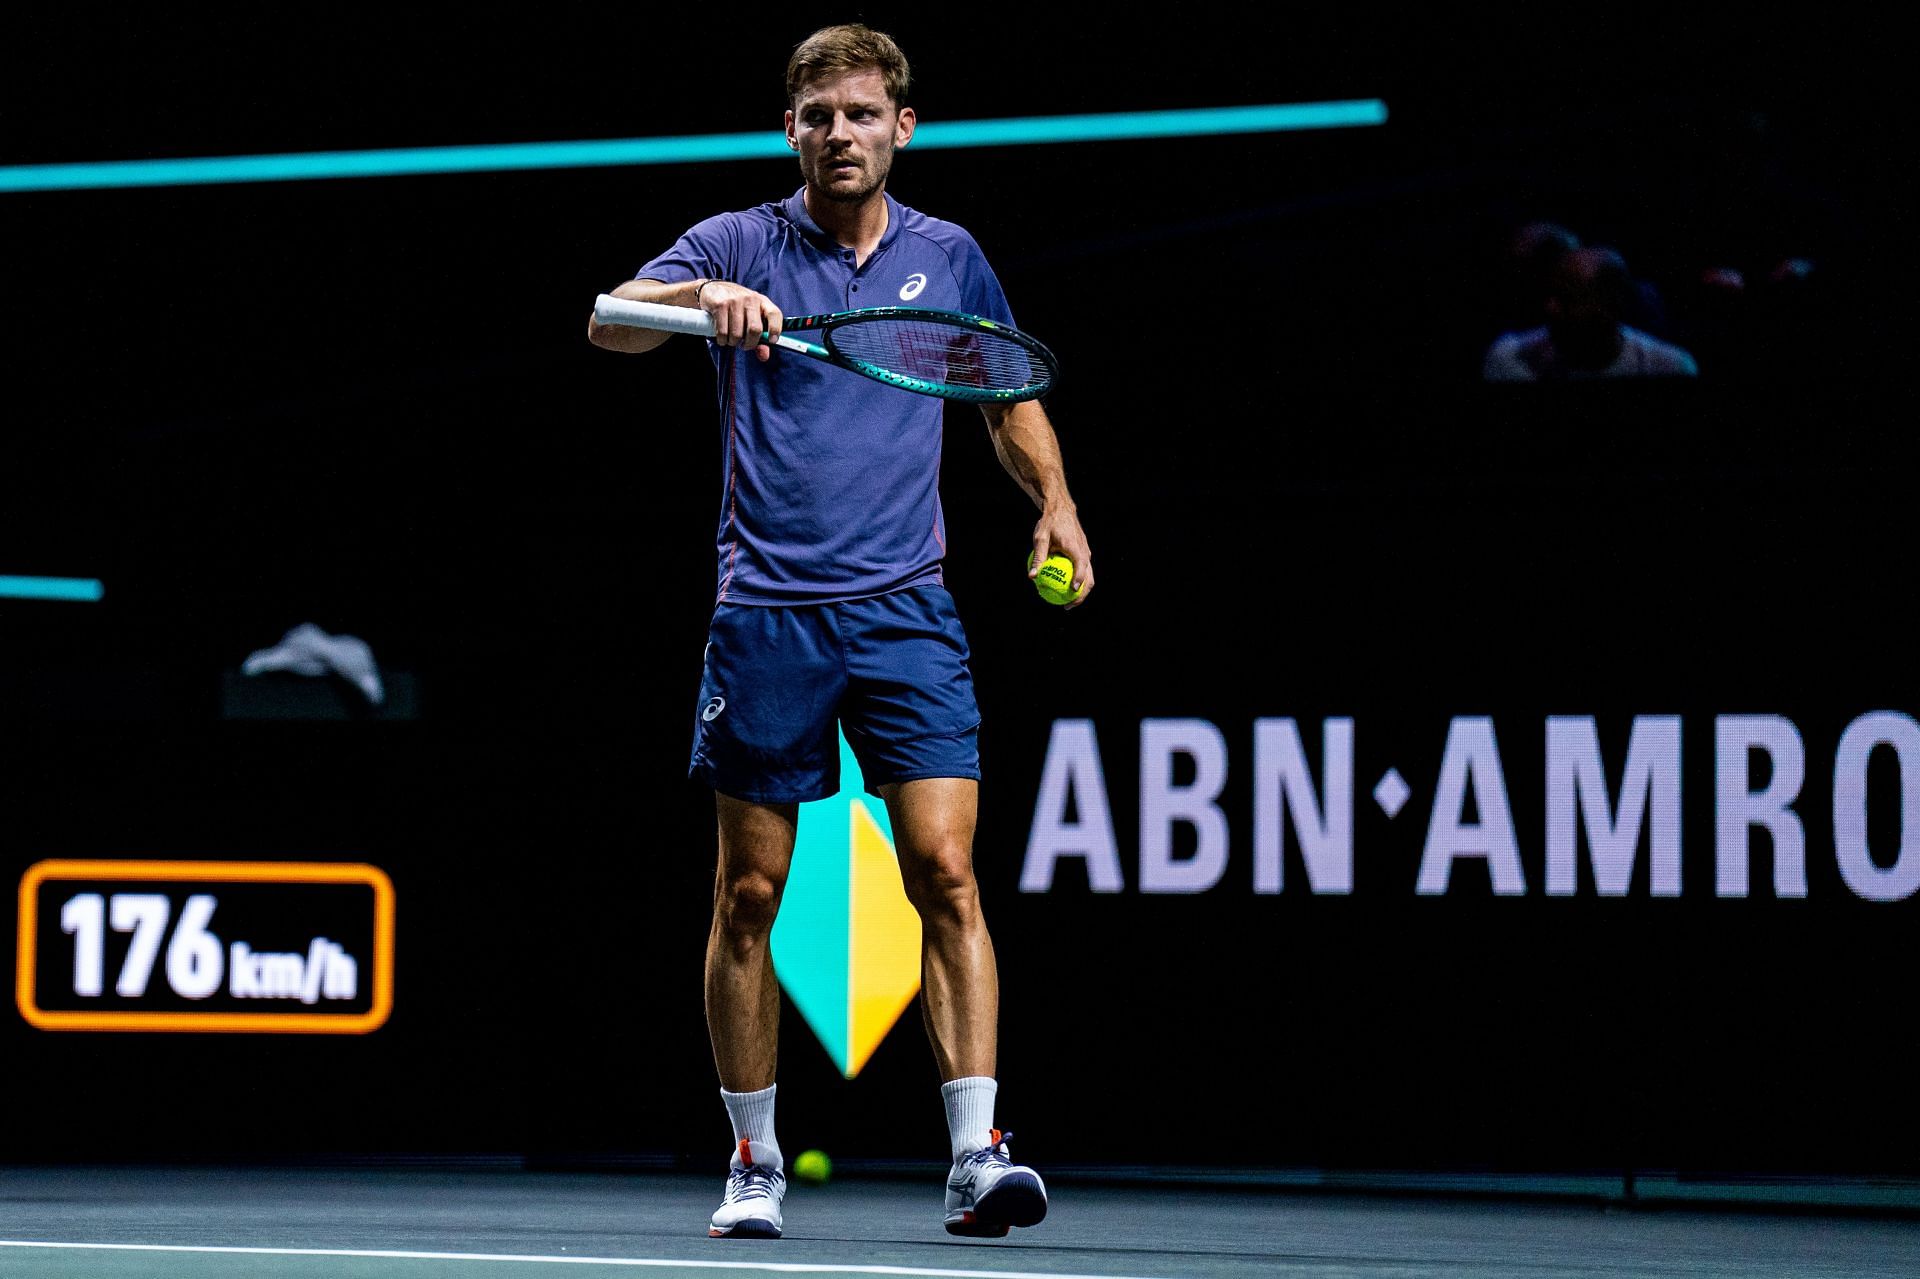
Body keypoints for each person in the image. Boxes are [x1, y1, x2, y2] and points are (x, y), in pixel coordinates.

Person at [586, 23, 1092, 1242]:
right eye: (819, 117)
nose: (841, 135)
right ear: (793, 130)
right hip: (766, 611)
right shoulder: (737, 240)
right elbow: (609, 318)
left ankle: (978, 1154)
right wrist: (704, 300)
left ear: (901, 127)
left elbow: (1003, 392)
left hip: (907, 609)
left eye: (863, 114)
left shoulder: (949, 254)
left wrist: (1058, 506)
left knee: (950, 872)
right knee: (750, 891)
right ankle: (753, 1158)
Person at [1483, 246, 1698, 380]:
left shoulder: (1669, 368)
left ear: (1613, 308)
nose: (1551, 308)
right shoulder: (1511, 360)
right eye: (1551, 295)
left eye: (1567, 299)